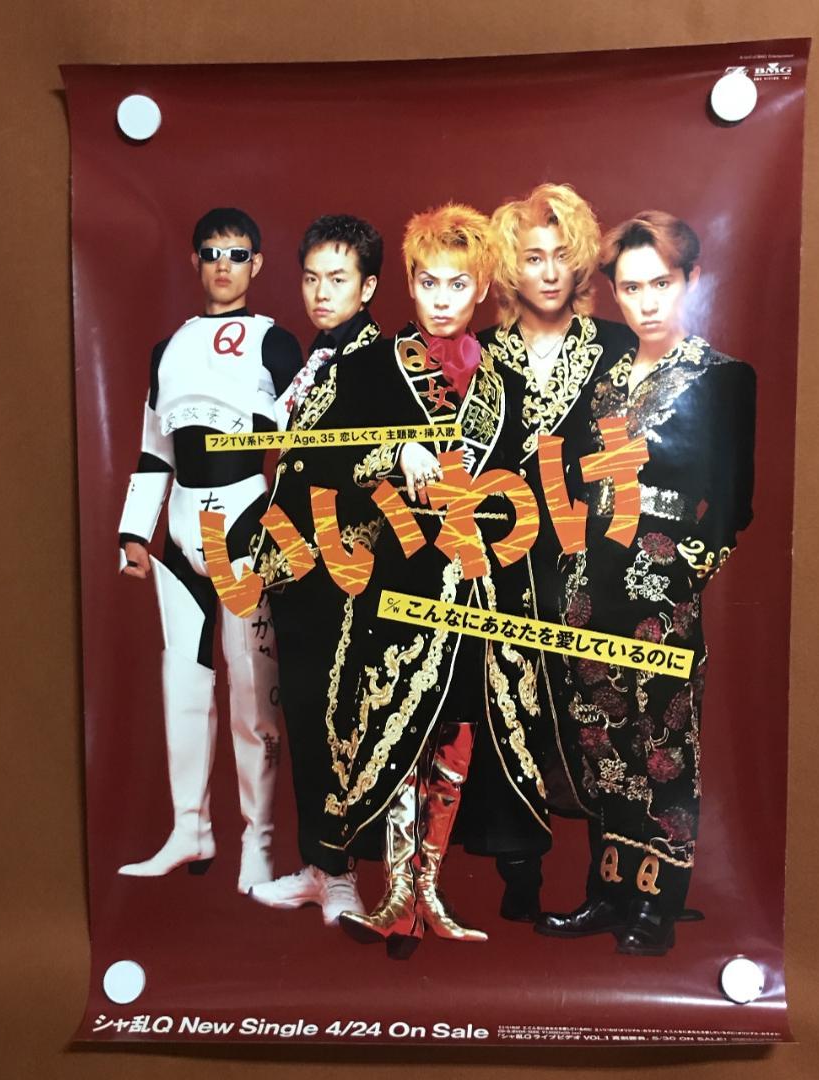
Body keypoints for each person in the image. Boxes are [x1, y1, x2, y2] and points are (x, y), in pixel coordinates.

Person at [314, 203, 548, 958]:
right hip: (401, 578)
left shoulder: (508, 385)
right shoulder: (369, 367)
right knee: (400, 731)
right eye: (428, 282)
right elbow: (320, 459)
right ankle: (395, 896)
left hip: (480, 586)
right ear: (409, 284)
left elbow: (530, 491)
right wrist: (392, 453)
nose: (441, 299)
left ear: (480, 290)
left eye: (457, 284)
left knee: (459, 731)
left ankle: (430, 891)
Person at [536, 211, 756, 955]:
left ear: (691, 280)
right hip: (587, 577)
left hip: (661, 581)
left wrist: (684, 574)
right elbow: (568, 479)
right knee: (597, 735)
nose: (646, 302)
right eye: (630, 288)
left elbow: (734, 506)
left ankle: (659, 903)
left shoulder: (723, 378)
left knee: (663, 737)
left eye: (661, 283)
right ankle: (609, 891)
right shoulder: (601, 380)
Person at [462, 183, 635, 921]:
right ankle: (519, 874)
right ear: (510, 268)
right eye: (533, 258)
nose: (551, 270)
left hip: (592, 556)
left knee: (599, 709)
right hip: (504, 559)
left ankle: (610, 883)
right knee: (508, 706)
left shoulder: (618, 347)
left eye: (563, 254)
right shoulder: (479, 354)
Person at [116, 207, 302, 891]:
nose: (224, 265)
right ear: (195, 261)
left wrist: (290, 530)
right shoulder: (167, 349)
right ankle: (189, 829)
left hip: (245, 520)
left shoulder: (276, 342)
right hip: (178, 526)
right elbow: (154, 449)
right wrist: (134, 531)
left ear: (257, 264)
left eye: (237, 253)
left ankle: (259, 842)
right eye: (212, 253)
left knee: (253, 691)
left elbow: (305, 443)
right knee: (183, 683)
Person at [248, 214, 384, 925]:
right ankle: (315, 867)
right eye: (310, 278)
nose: (321, 292)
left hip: (346, 567)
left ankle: (343, 877)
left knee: (339, 716)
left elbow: (382, 458)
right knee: (302, 713)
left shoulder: (380, 360)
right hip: (294, 564)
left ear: (369, 286)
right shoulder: (318, 355)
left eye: (337, 279)